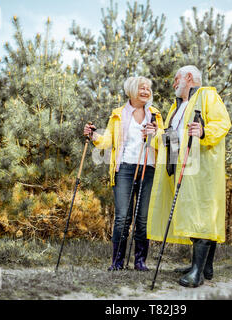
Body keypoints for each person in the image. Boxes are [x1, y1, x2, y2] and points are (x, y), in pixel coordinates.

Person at [146, 65, 232, 287]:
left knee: (201, 215)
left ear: (189, 78)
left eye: (176, 79)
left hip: (202, 169)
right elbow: (171, 139)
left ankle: (198, 272)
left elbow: (222, 123)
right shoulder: (178, 107)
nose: (174, 83)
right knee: (193, 214)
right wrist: (154, 135)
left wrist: (204, 132)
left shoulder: (207, 95)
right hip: (181, 168)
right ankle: (204, 266)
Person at [84, 76, 164, 271]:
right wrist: (92, 135)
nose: (146, 91)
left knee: (143, 218)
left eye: (148, 89)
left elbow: (164, 142)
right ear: (132, 91)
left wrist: (155, 134)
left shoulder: (155, 115)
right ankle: (117, 262)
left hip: (148, 167)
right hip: (125, 169)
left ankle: (140, 261)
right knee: (122, 218)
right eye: (142, 88)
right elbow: (107, 141)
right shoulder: (118, 114)